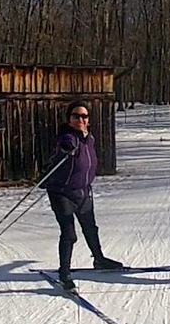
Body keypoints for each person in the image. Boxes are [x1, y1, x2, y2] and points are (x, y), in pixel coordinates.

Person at [45, 100, 122, 290]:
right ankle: (65, 273)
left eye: (84, 116)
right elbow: (65, 144)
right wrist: (67, 147)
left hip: (83, 192)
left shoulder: (90, 139)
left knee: (90, 228)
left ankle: (99, 259)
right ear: (69, 119)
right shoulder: (67, 137)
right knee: (69, 234)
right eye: (76, 116)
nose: (80, 119)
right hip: (62, 193)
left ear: (88, 120)